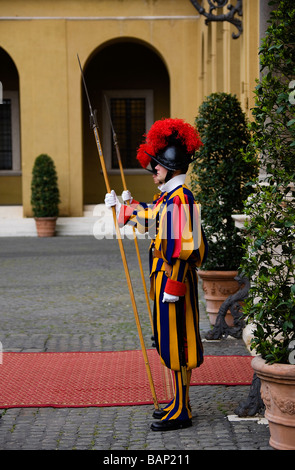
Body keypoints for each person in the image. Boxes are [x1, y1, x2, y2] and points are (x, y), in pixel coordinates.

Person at [105, 118, 208, 432]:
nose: (154, 172)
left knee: (178, 346)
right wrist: (128, 206)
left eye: (159, 167)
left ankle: (181, 410)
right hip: (165, 281)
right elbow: (153, 216)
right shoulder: (171, 198)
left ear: (173, 167)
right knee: (168, 343)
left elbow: (181, 248)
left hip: (173, 281)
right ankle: (179, 404)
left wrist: (126, 211)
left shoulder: (180, 199)